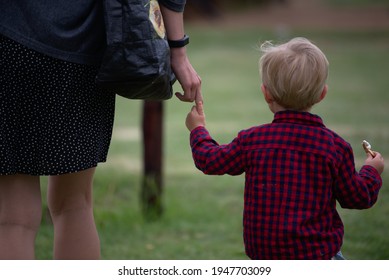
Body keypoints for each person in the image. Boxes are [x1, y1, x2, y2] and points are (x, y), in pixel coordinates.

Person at [0, 0, 201, 260]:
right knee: (74, 205)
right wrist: (178, 50)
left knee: (13, 218)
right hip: (83, 54)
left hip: (10, 43)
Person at [185, 37, 384, 259]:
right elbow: (356, 197)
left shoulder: (251, 141)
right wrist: (371, 171)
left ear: (266, 93)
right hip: (318, 257)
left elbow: (209, 160)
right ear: (322, 94)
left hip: (265, 257)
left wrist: (198, 129)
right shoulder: (334, 147)